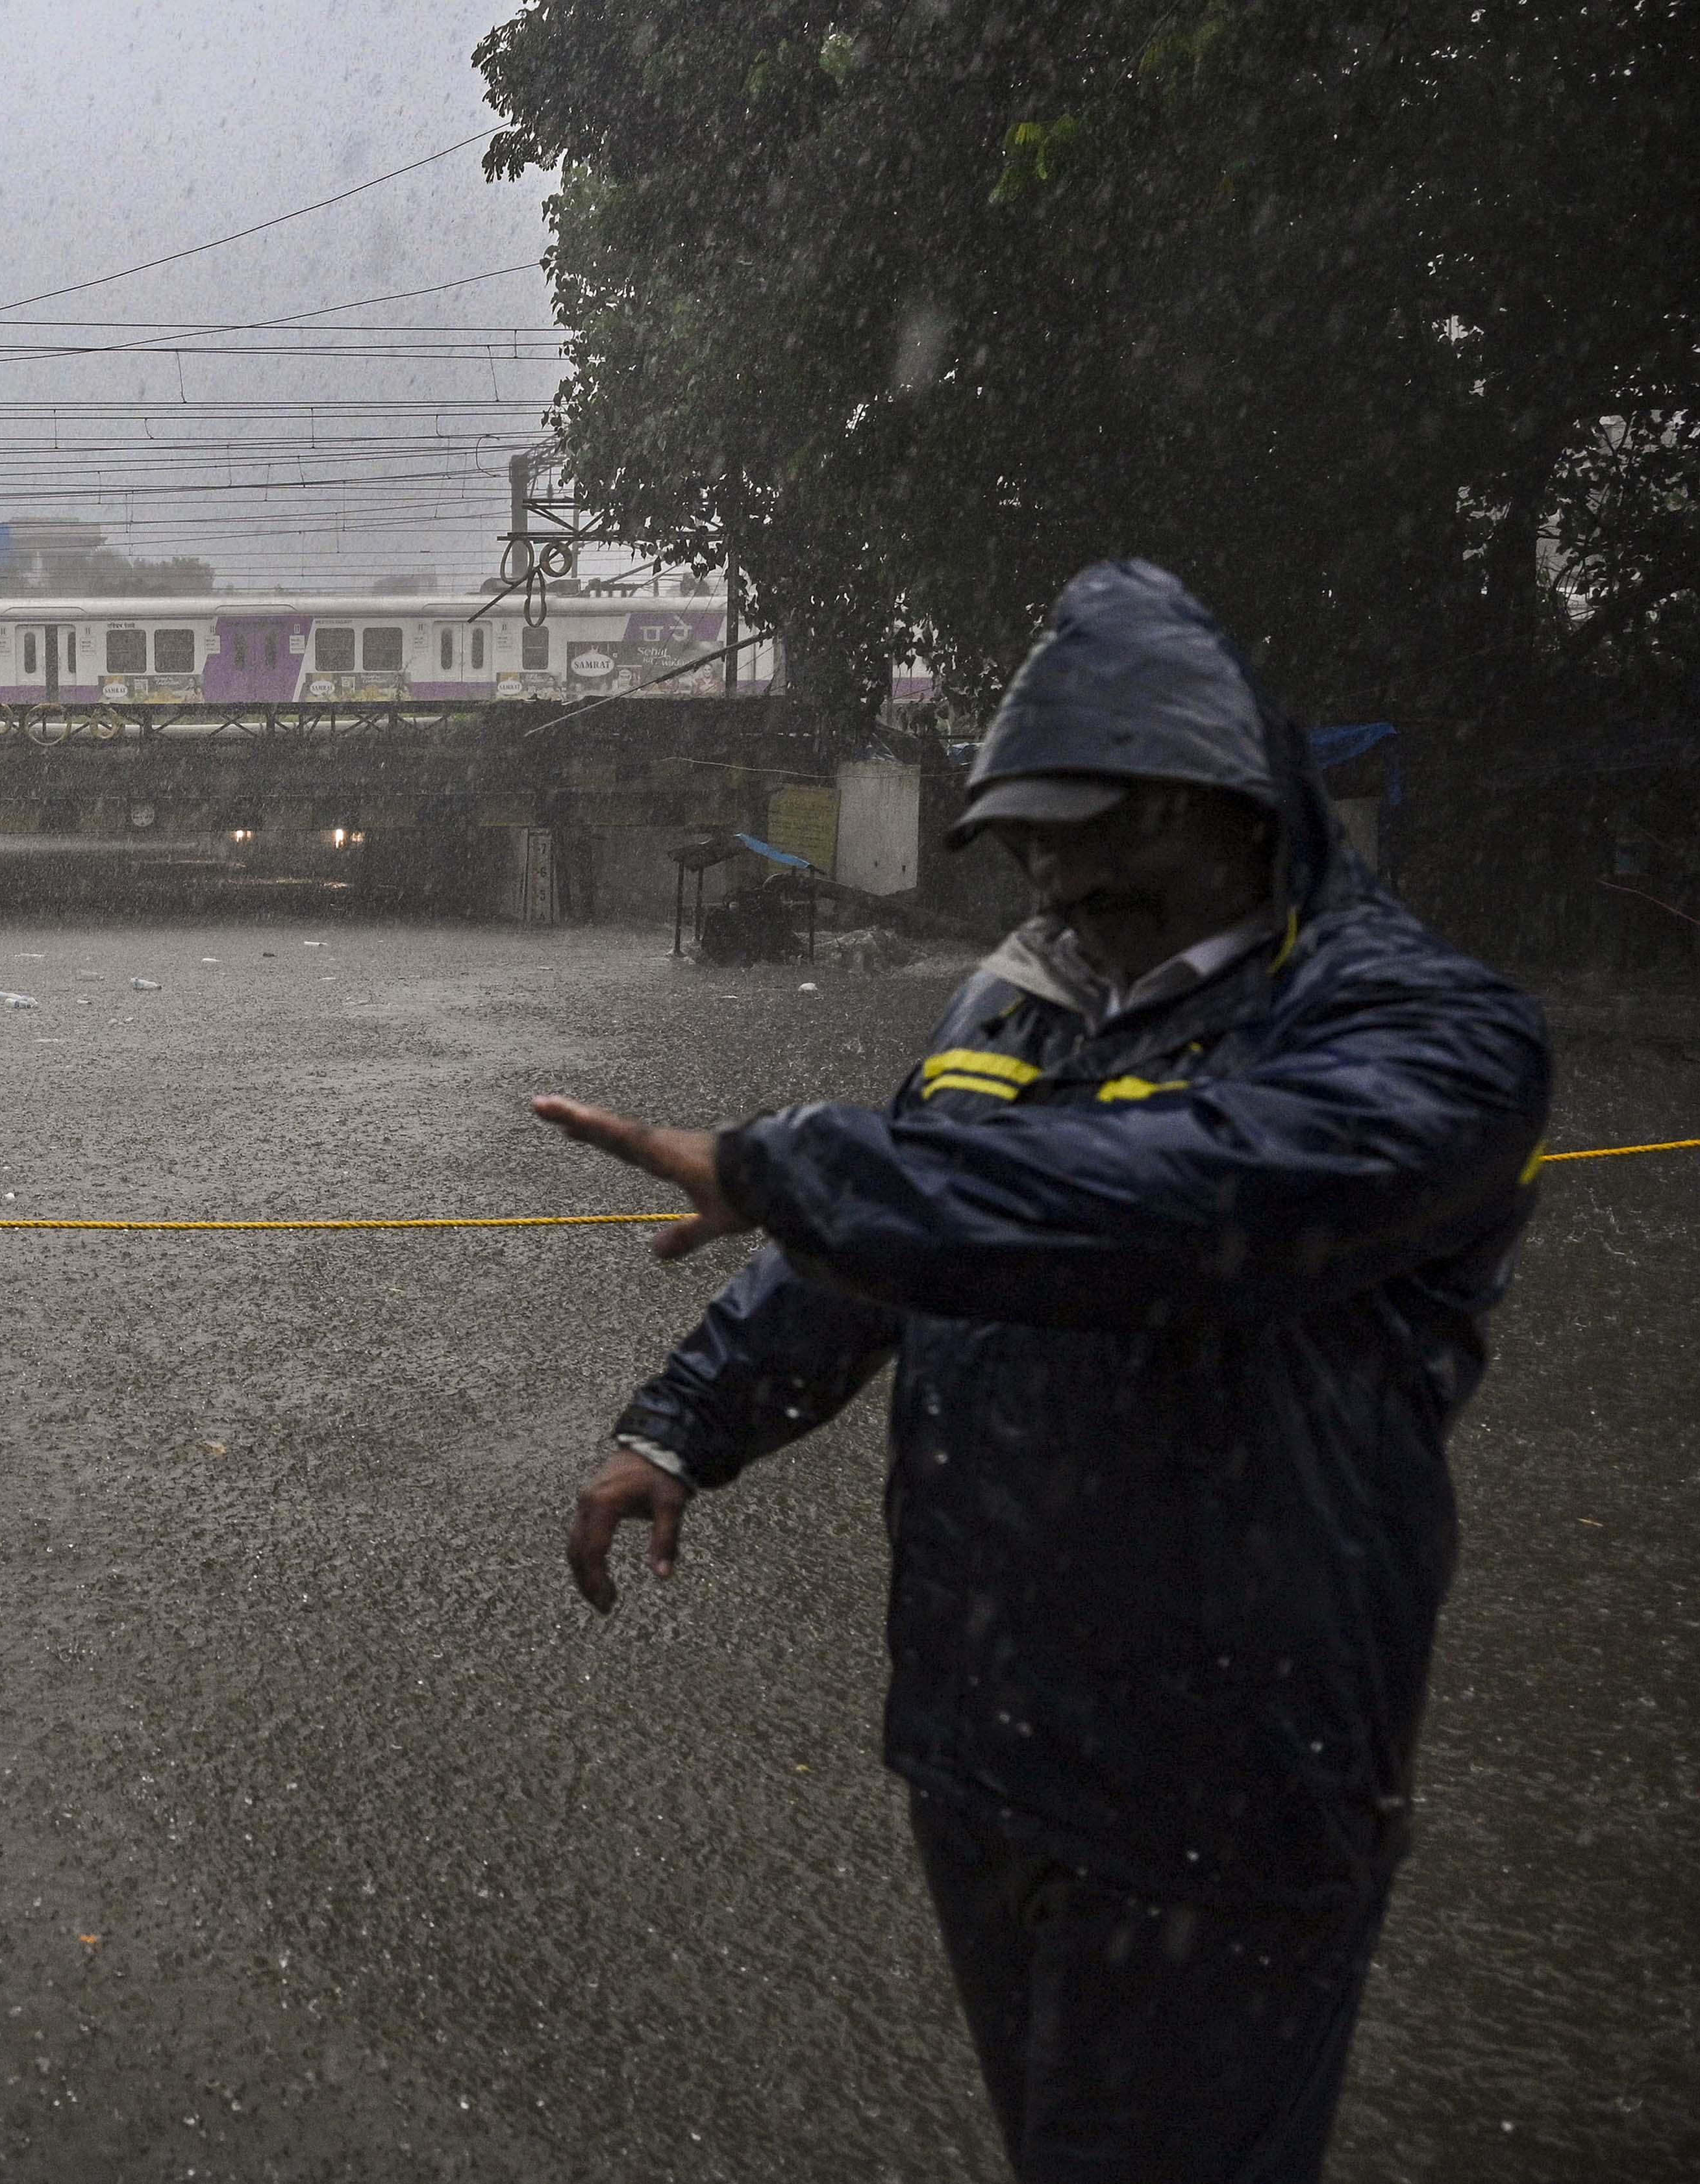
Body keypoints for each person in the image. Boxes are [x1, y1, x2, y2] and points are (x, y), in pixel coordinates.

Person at [536, 561, 1551, 2183]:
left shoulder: (1422, 1031)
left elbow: (1182, 1207)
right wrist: (683, 1421)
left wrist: (794, 1161)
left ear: (1232, 808)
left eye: (1098, 831)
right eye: (1032, 837)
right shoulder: (1020, 998)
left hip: (1235, 1768)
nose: (1057, 874)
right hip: (988, 1734)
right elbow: (921, 1217)